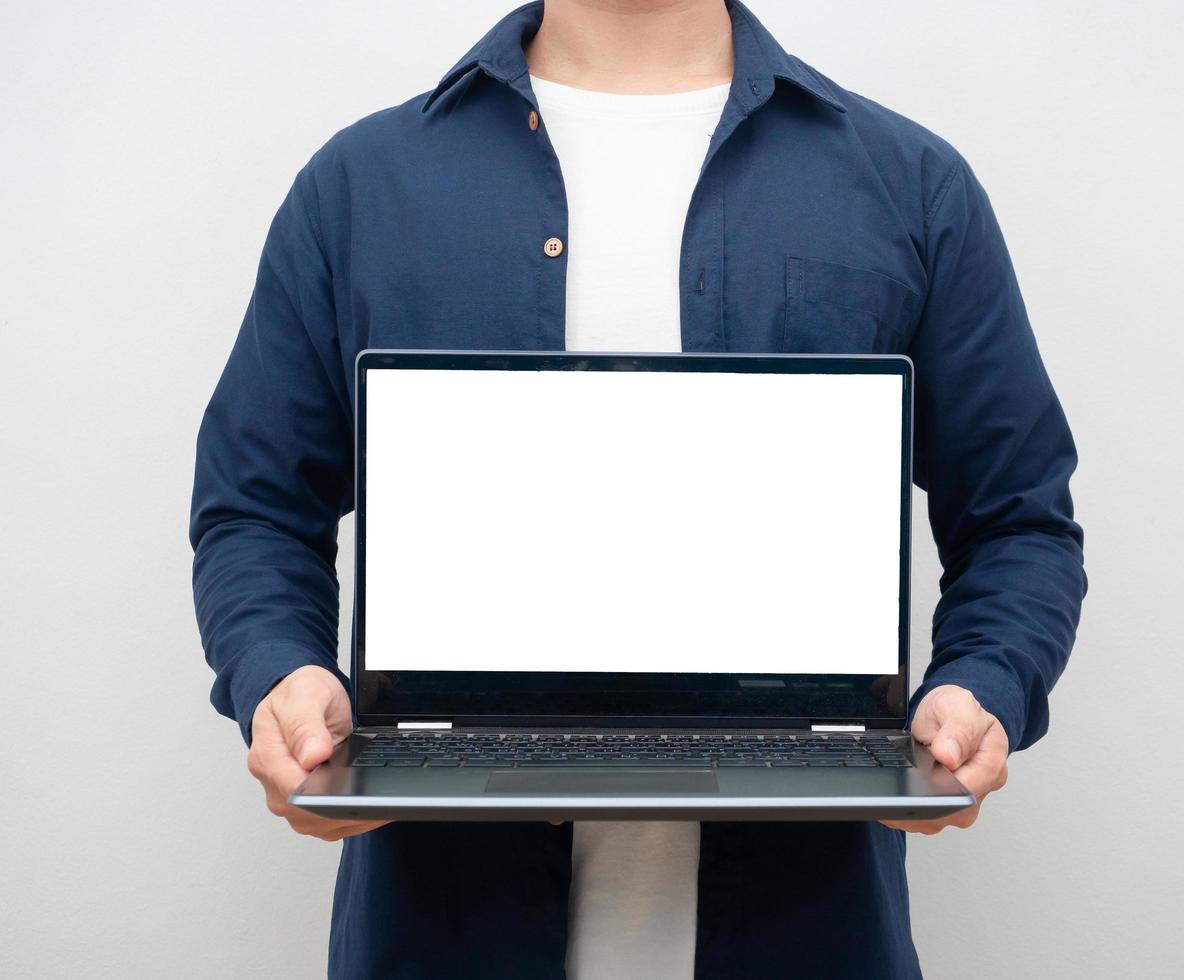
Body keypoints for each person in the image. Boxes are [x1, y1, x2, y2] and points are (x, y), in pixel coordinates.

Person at [189, 1, 1087, 977]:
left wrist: (977, 683)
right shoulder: (360, 186)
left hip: (807, 932)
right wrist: (281, 670)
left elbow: (1016, 520)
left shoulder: (909, 186)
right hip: (439, 931)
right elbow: (258, 507)